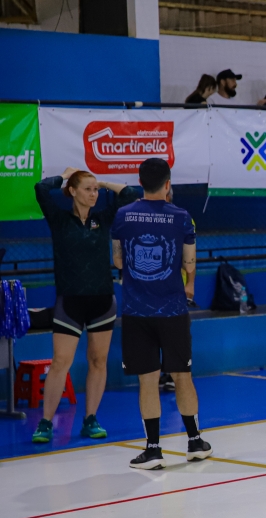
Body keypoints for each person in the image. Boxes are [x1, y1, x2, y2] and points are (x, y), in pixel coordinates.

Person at [111, 158, 212, 469]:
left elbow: (118, 261)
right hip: (173, 310)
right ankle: (195, 441)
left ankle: (153, 449)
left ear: (140, 182)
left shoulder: (123, 215)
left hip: (136, 311)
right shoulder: (181, 217)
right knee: (182, 375)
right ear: (168, 184)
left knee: (147, 379)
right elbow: (189, 262)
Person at [29, 168, 136, 443]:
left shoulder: (103, 218)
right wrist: (64, 177)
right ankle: (45, 423)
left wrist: (102, 181)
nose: (94, 194)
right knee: (60, 362)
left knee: (98, 361)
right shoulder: (59, 220)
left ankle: (91, 419)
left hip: (102, 302)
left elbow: (129, 193)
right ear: (73, 192)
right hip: (70, 303)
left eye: (96, 190)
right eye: (88, 189)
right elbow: (41, 189)